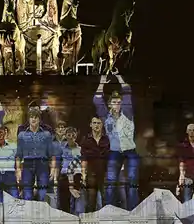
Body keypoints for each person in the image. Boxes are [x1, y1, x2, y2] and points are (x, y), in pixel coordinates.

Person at [93, 77, 139, 210]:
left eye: (119, 102)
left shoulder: (127, 113)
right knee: (111, 181)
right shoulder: (105, 117)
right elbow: (96, 99)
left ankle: (133, 211)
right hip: (114, 151)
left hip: (130, 151)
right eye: (114, 102)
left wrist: (119, 77)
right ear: (110, 104)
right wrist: (101, 81)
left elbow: (127, 90)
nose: (117, 104)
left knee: (132, 182)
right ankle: (108, 209)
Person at [16, 107, 55, 201]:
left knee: (42, 195)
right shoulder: (22, 135)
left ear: (39, 119)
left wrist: (53, 169)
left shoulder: (46, 135)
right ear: (28, 119)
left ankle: (41, 215)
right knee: (27, 195)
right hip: (27, 164)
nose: (33, 119)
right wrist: (17, 170)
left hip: (42, 164)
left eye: (36, 117)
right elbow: (18, 154)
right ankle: (29, 215)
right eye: (31, 117)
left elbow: (52, 154)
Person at [80, 116, 110, 213]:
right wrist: (83, 175)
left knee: (107, 200)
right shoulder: (86, 140)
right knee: (91, 201)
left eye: (99, 123)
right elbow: (84, 159)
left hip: (105, 172)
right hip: (91, 173)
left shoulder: (107, 139)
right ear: (91, 125)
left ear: (102, 125)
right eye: (94, 123)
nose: (96, 125)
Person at [59, 126, 84, 214]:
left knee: (75, 203)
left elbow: (76, 167)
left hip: (75, 177)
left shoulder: (79, 150)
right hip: (63, 177)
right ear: (65, 136)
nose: (71, 137)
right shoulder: (61, 149)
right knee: (63, 203)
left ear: (76, 136)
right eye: (68, 135)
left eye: (73, 135)